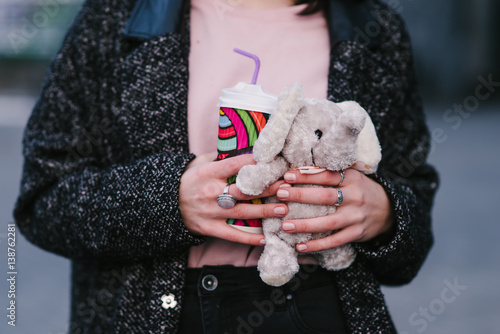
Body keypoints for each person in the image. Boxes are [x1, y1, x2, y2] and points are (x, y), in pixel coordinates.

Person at [14, 0, 439, 333]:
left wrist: (385, 213)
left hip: (320, 305)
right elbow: (43, 196)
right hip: (160, 313)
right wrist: (166, 199)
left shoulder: (376, 30)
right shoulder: (116, 16)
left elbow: (414, 217)